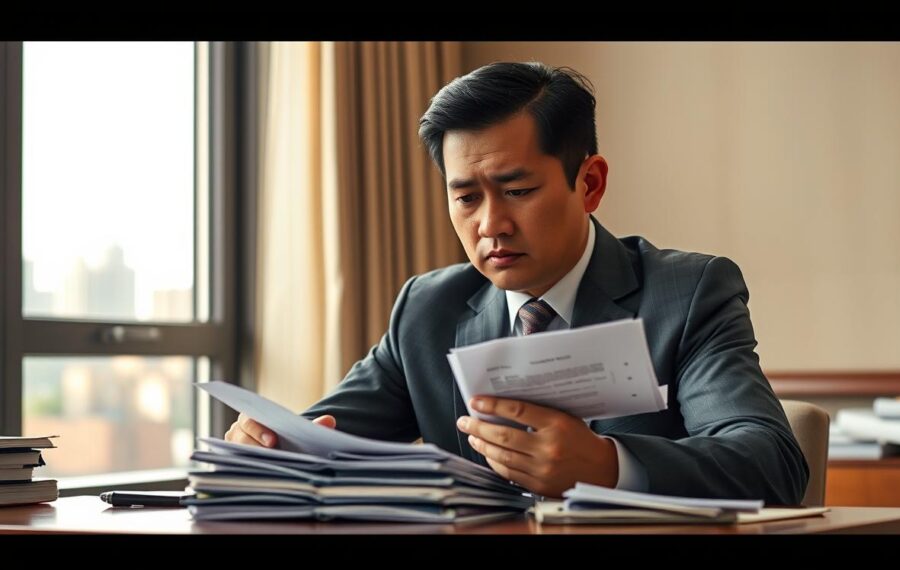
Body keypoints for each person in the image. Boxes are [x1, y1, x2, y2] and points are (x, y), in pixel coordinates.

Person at [226, 61, 809, 503]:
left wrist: (608, 466)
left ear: (590, 183)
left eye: (518, 191)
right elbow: (325, 435)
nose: (491, 224)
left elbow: (770, 464)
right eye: (465, 197)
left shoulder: (686, 293)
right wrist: (272, 447)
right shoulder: (428, 310)